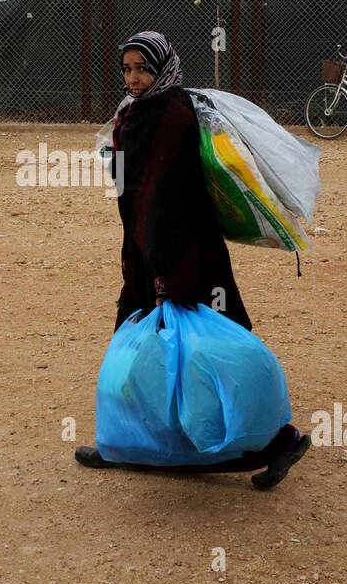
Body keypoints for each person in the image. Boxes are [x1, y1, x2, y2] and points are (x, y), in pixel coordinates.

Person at [74, 31, 310, 489]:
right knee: (153, 347)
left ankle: (280, 442)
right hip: (147, 248)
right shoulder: (136, 113)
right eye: (126, 69)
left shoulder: (172, 114)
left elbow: (167, 197)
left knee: (211, 350)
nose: (134, 77)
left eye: (142, 68)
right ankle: (124, 442)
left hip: (178, 251)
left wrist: (163, 271)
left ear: (162, 68)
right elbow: (132, 187)